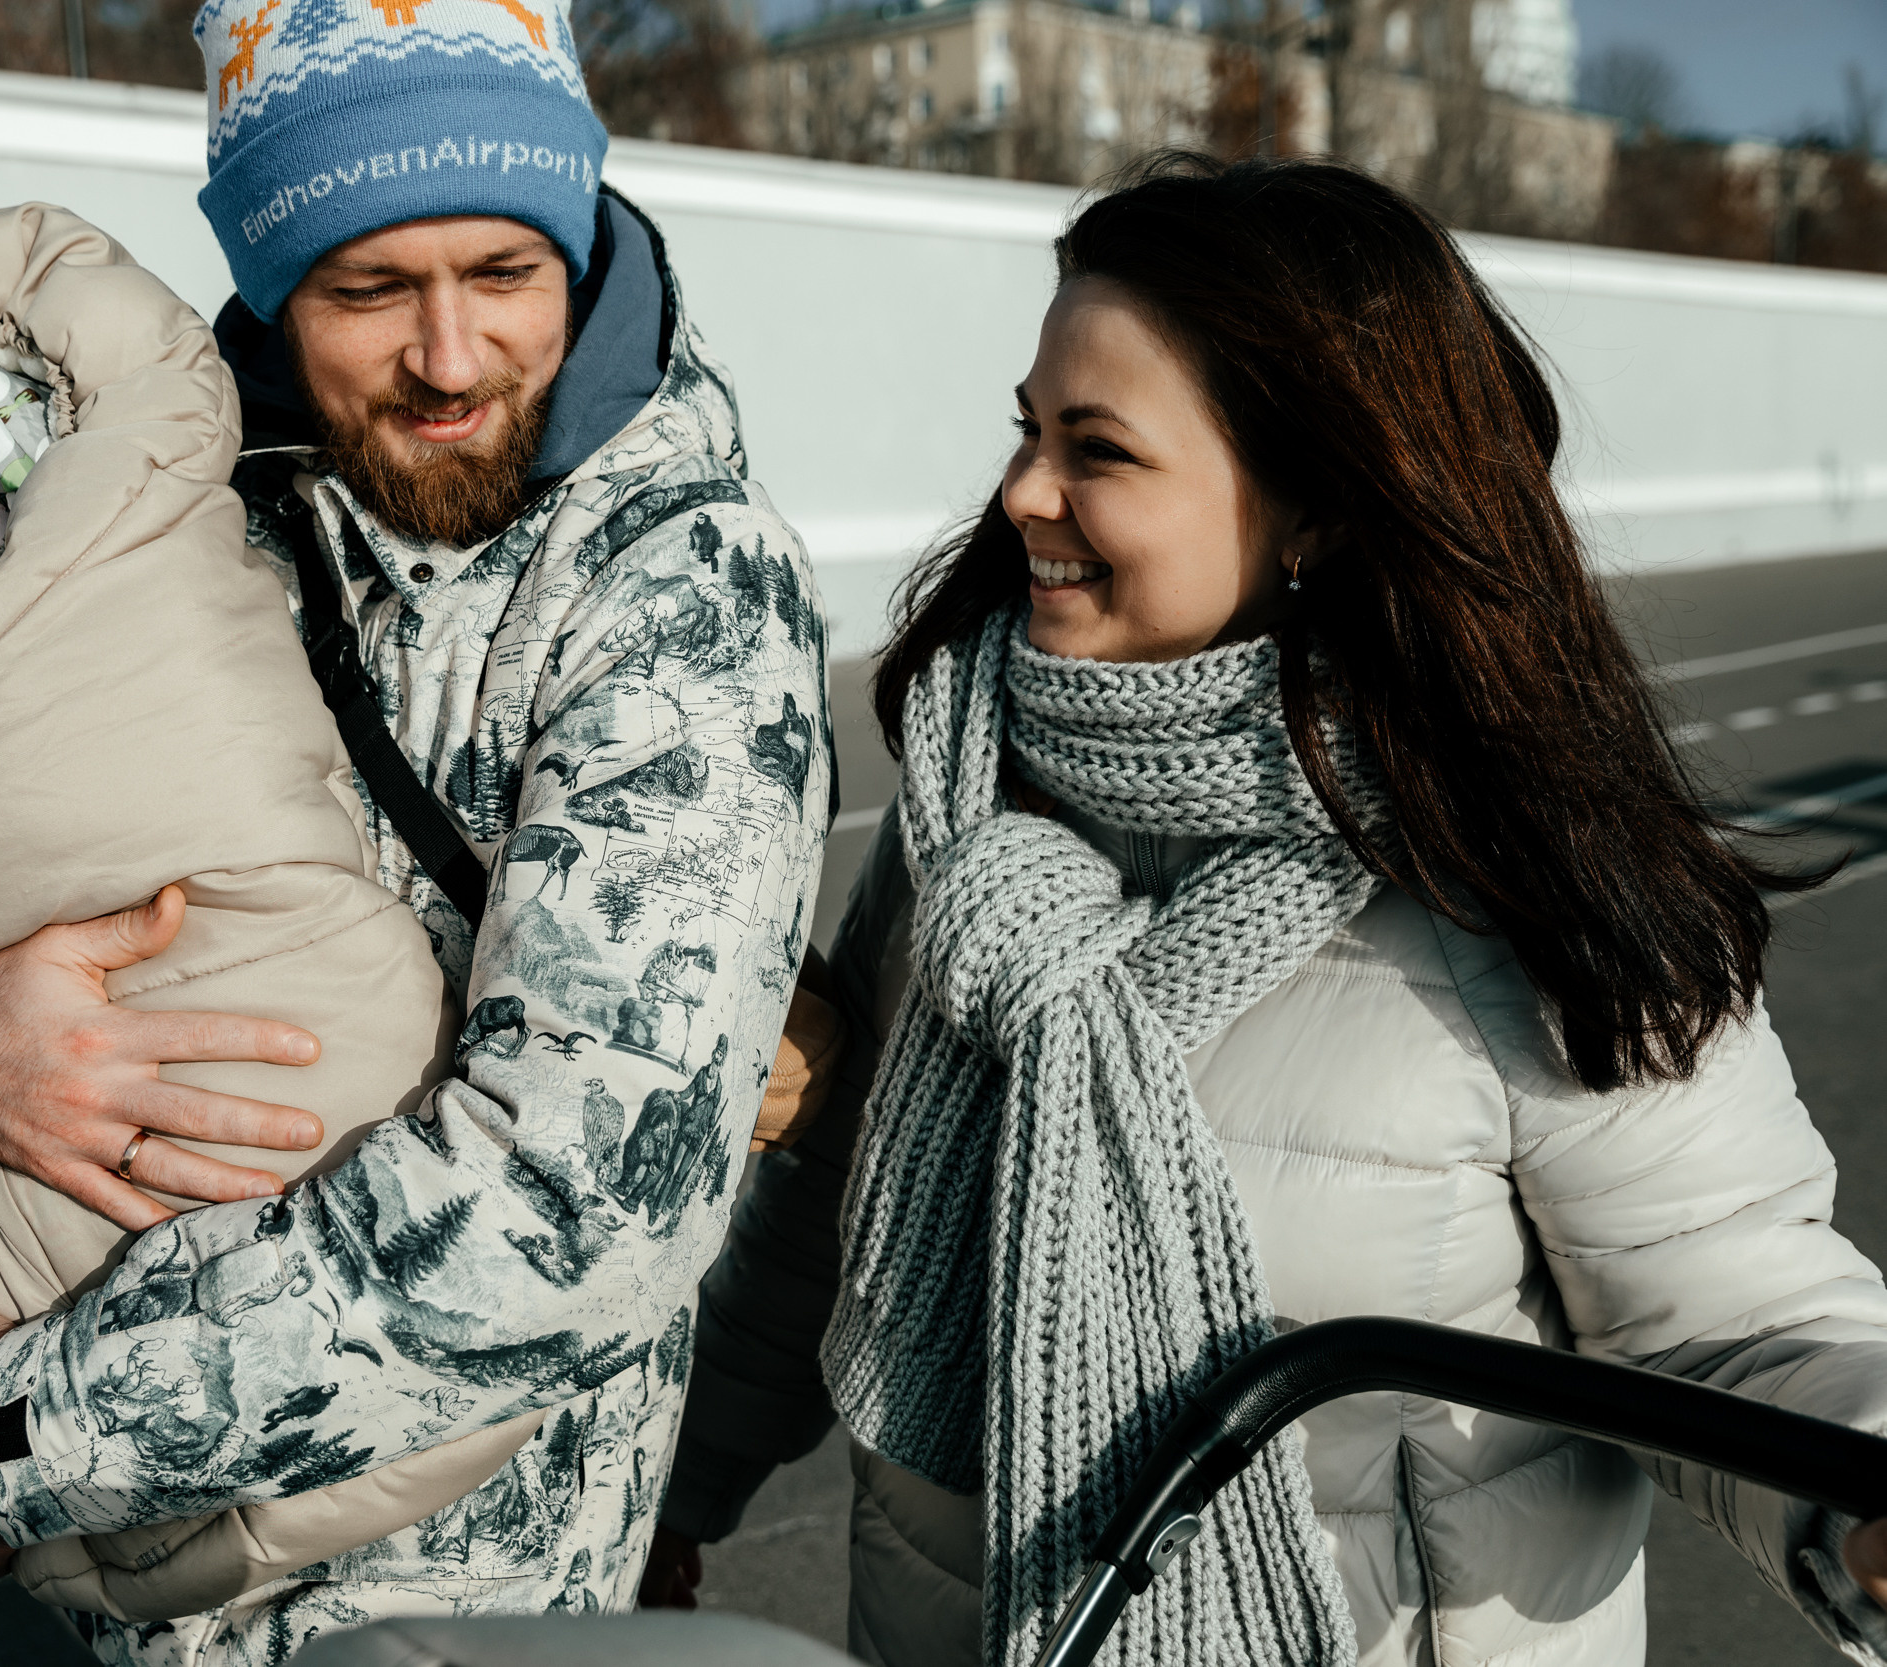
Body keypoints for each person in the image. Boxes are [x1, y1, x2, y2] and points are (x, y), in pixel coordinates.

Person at [645, 152, 1887, 1667]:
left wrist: (1866, 1490)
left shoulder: (1509, 872)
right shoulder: (970, 822)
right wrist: (678, 1489)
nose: (1026, 491)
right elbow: (821, 1221)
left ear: (1316, 506)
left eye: (1097, 448)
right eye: (1028, 431)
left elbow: (1736, 1311)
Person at [0, 2, 832, 1660]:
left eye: (505, 274)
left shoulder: (680, 591)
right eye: (370, 290)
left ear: (582, 243)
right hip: (135, 1587)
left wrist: (28, 1427)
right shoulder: (128, 480)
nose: (452, 357)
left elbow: (576, 1205)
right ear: (266, 280)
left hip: (462, 1589)